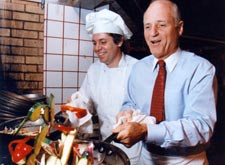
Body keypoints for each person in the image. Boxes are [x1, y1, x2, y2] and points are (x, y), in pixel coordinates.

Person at [112, 0, 218, 164]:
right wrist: (126, 113)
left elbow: (200, 127)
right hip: (146, 158)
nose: (153, 32)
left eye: (161, 25)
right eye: (147, 26)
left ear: (179, 28)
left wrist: (147, 131)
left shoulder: (201, 69)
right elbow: (129, 103)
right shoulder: (138, 69)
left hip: (187, 160)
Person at [68, 9, 143, 164]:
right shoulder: (94, 70)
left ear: (119, 41)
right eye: (94, 43)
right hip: (106, 148)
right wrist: (73, 107)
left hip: (136, 150)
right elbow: (84, 100)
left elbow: (147, 112)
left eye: (103, 42)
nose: (97, 48)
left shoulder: (138, 68)